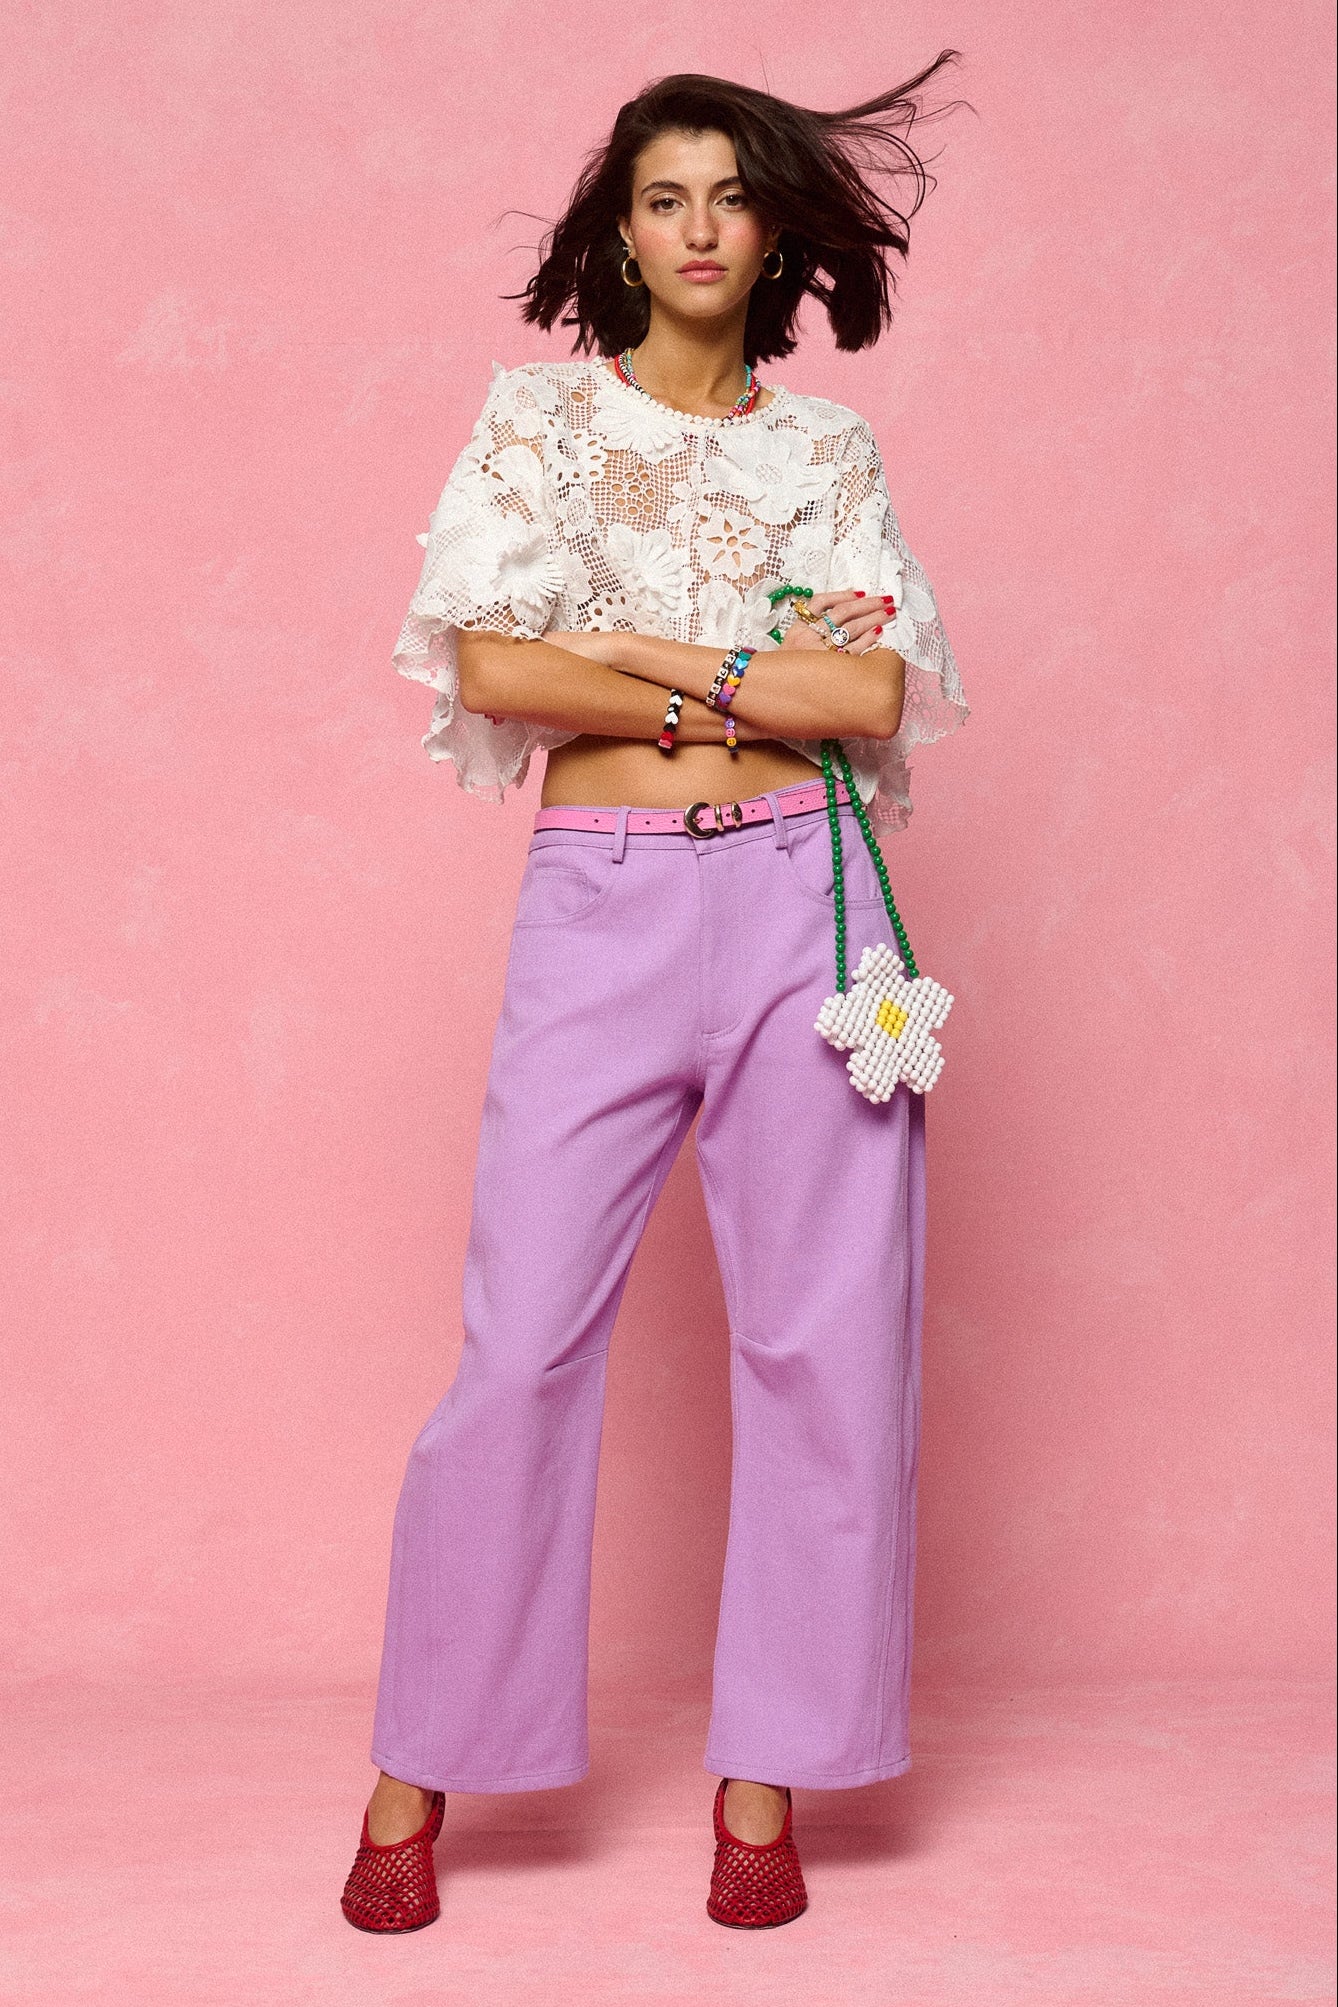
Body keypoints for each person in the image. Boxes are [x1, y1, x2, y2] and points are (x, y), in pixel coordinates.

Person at [340, 64, 970, 1935]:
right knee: (522, 1341)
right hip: (599, 909)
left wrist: (619, 645)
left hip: (809, 903)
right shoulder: (534, 423)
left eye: (729, 197)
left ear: (773, 234)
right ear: (618, 232)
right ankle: (419, 1758)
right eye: (664, 197)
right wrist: (731, 669)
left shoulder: (829, 454)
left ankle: (762, 1774)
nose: (699, 228)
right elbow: (490, 664)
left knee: (822, 1347)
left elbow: (865, 700)